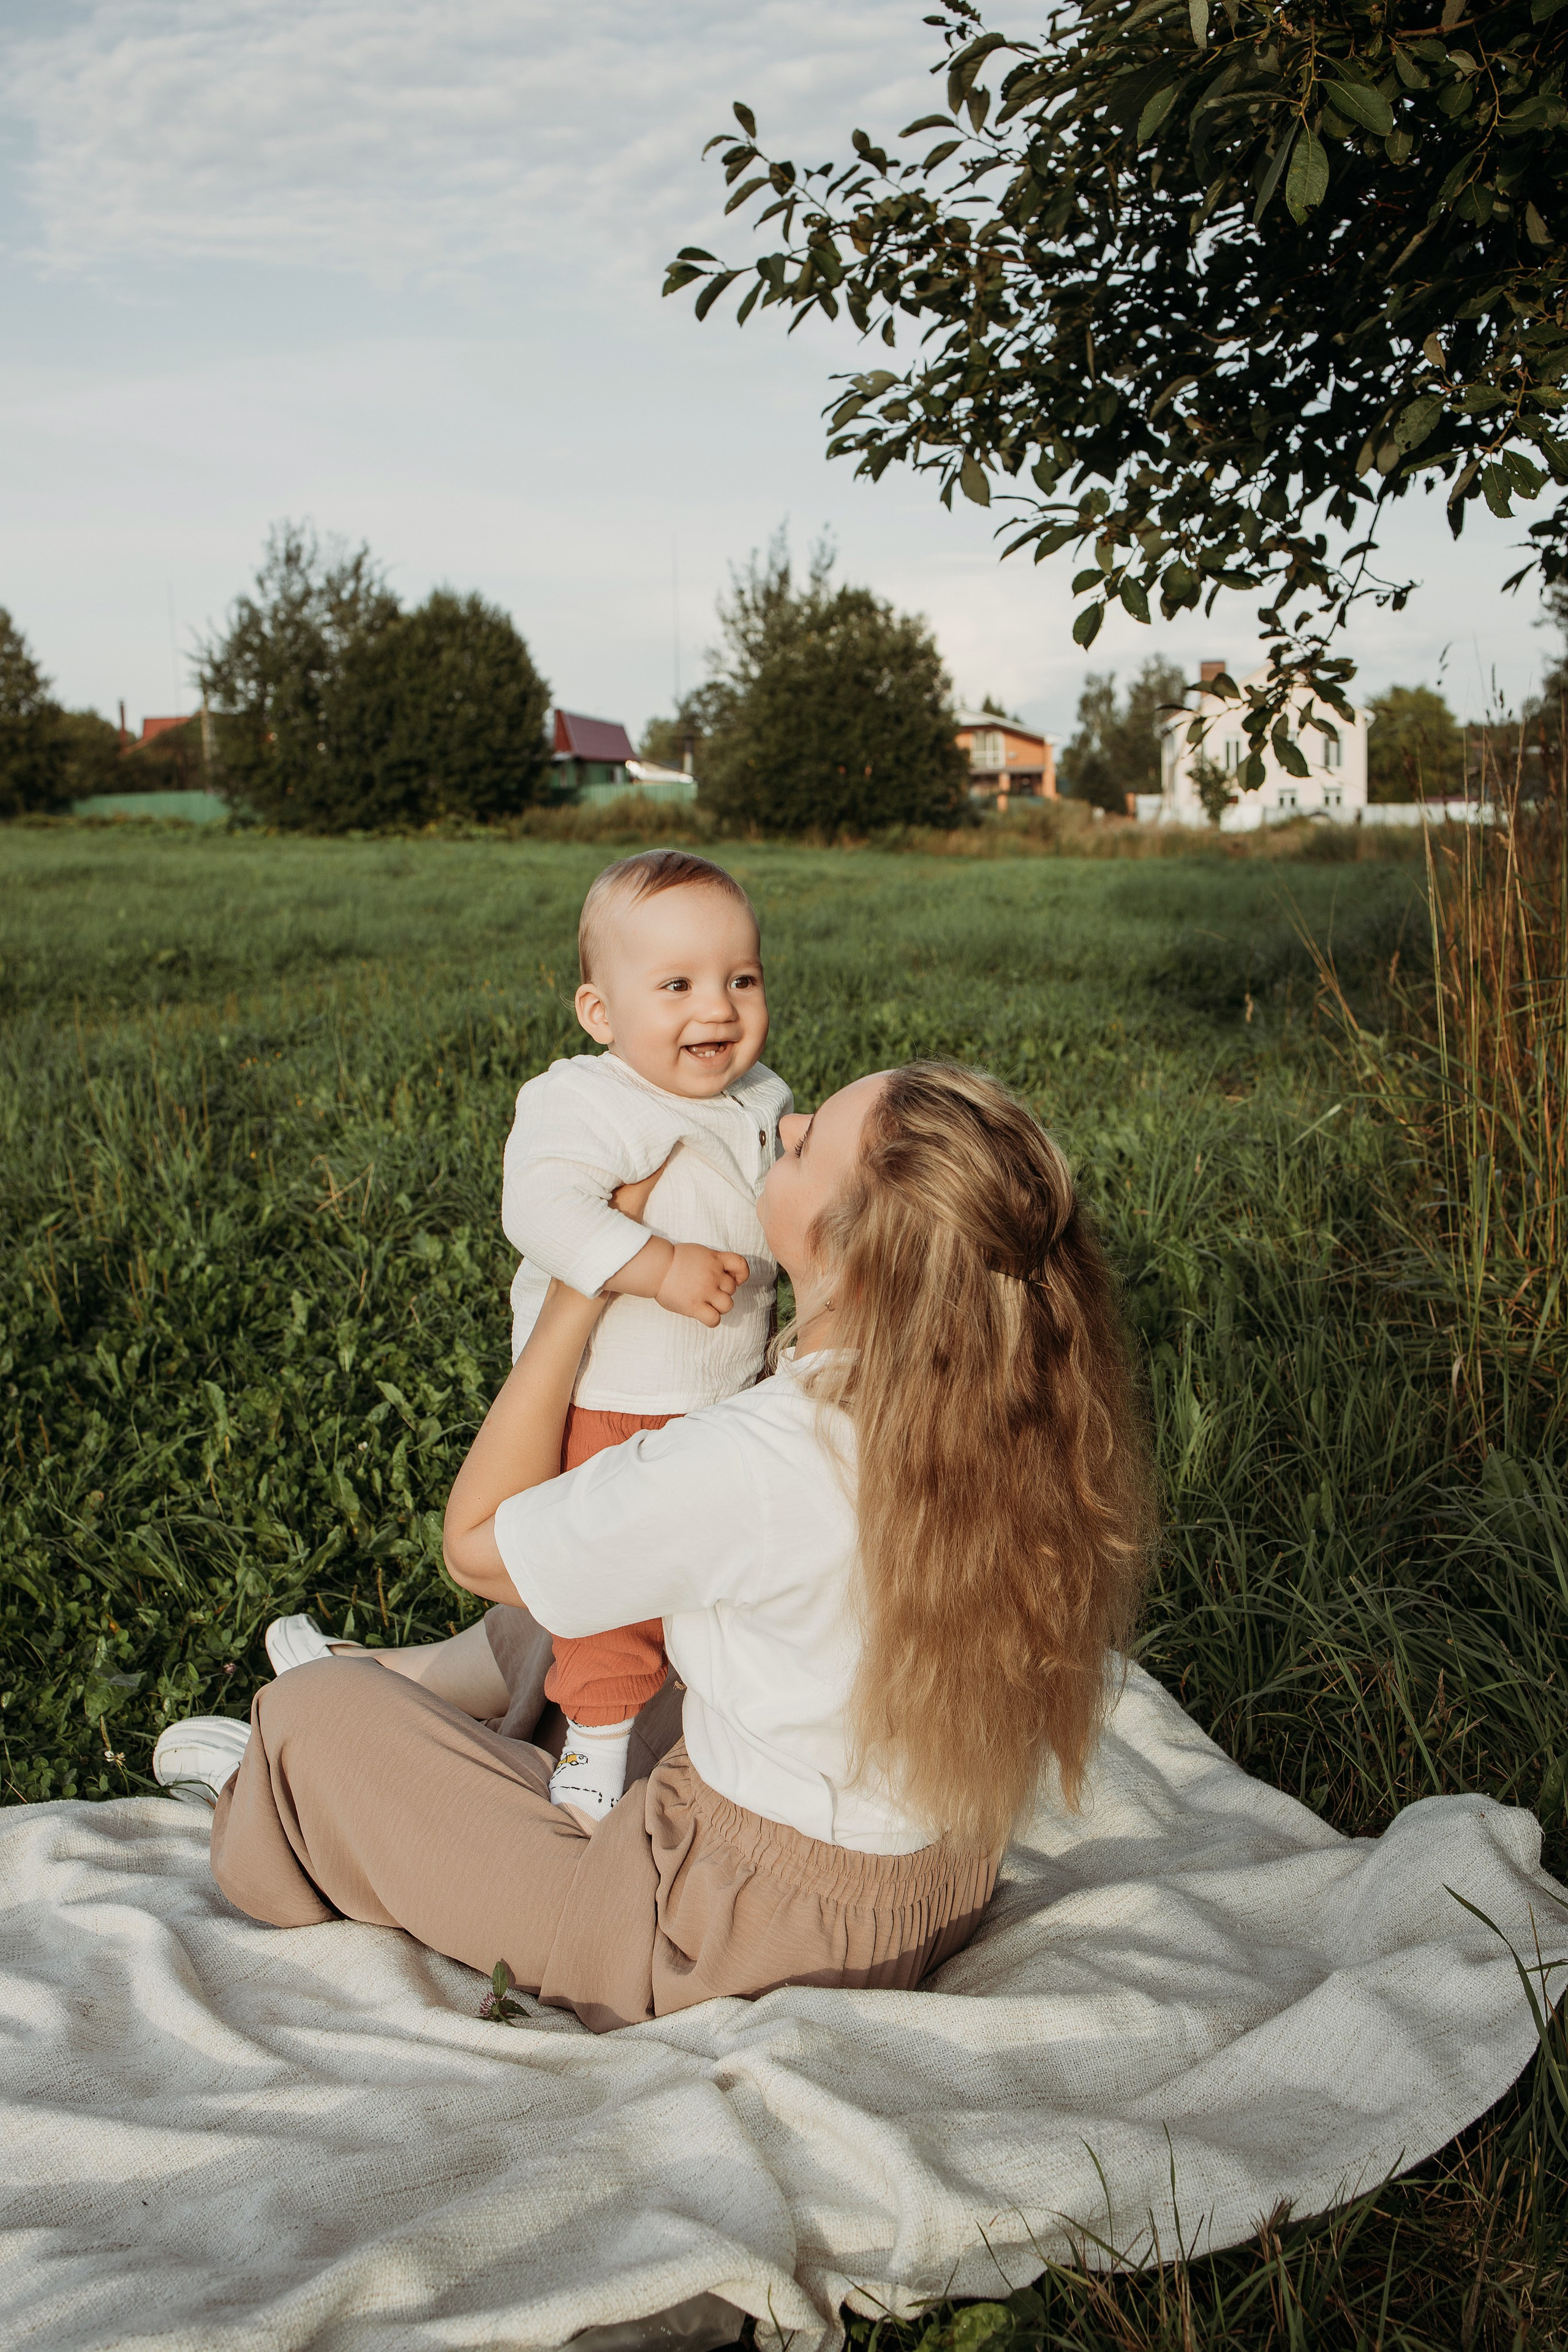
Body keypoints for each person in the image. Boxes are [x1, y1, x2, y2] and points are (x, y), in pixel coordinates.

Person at [153, 1063, 1154, 2032]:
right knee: (604, 1610)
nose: (785, 1126)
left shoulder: (765, 1454)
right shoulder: (1005, 1408)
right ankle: (404, 1686)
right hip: (929, 1890)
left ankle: (287, 1778)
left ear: (851, 1255)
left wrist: (583, 1284)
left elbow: (474, 1545)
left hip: (720, 1931)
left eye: (807, 1145)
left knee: (312, 1718)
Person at [264, 848, 791, 1823]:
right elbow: (540, 1208)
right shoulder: (589, 1099)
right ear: (600, 1012)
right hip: (618, 1392)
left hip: (725, 1390)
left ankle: (424, 1684)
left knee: (690, 1578)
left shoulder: (761, 1098)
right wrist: (655, 1265)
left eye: (742, 979)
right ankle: (595, 1744)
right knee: (611, 1579)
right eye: (677, 985)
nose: (718, 1009)